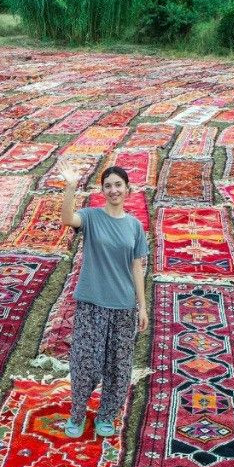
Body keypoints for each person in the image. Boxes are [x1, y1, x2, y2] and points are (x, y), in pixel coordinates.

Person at [60, 165, 149, 439]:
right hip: (92, 302)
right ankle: (77, 414)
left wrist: (142, 306)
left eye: (118, 185)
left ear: (127, 189)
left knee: (118, 365)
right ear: (102, 191)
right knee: (86, 360)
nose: (114, 190)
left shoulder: (135, 226)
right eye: (108, 185)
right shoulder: (91, 217)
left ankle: (107, 415)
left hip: (123, 305)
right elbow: (67, 219)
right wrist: (71, 187)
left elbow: (137, 268)